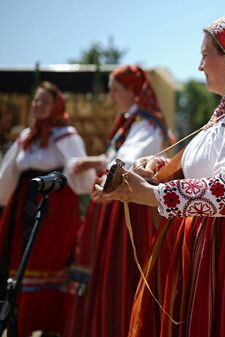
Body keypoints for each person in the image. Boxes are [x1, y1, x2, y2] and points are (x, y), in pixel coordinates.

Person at [97, 16, 225, 337]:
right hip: (211, 244)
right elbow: (194, 165)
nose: (199, 65)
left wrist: (153, 195)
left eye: (205, 55)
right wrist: (153, 169)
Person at [64, 65, 171, 337]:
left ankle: (122, 327)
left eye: (115, 89)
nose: (111, 96)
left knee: (121, 274)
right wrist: (96, 161)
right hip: (115, 201)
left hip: (129, 209)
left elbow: (129, 161)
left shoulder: (147, 124)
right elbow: (116, 156)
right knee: (105, 271)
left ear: (133, 91)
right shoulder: (130, 122)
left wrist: (102, 165)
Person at [0, 81, 96, 336]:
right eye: (36, 101)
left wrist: (76, 172)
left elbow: (77, 170)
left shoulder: (66, 135)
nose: (38, 105)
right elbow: (9, 171)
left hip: (53, 207)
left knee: (45, 259)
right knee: (19, 260)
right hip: (23, 206)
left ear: (57, 105)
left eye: (45, 101)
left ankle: (48, 324)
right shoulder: (26, 137)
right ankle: (18, 321)